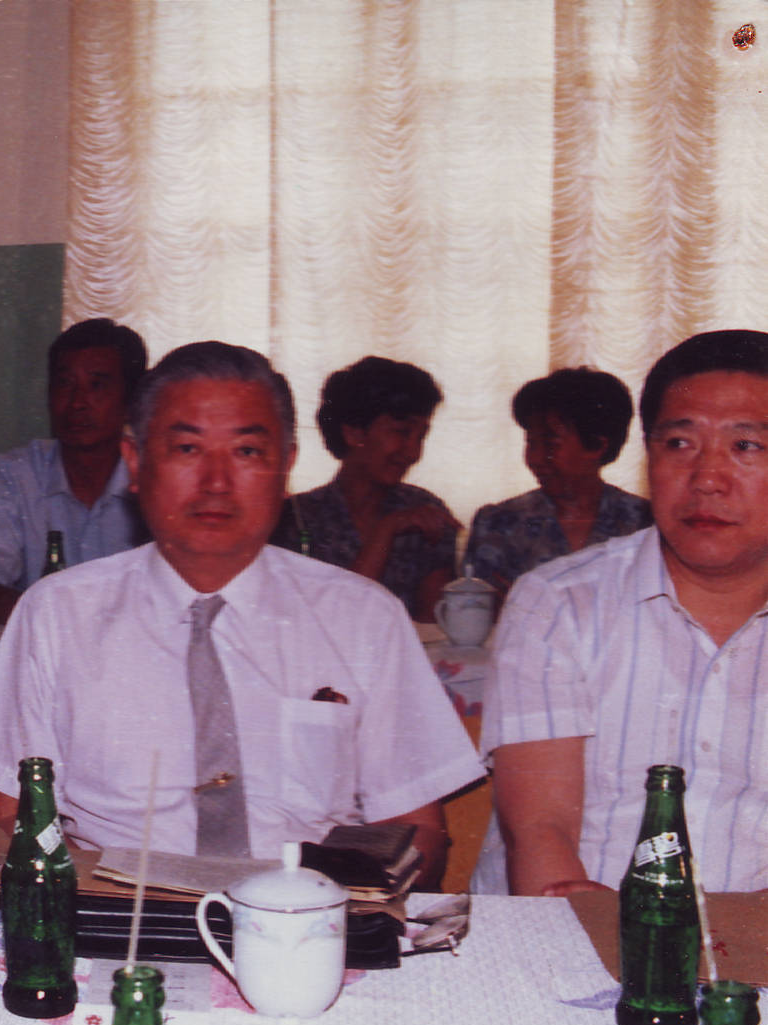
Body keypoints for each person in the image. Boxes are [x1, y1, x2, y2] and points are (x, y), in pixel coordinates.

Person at [0, 341, 480, 883]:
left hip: (312, 920)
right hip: (113, 919)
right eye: (187, 449)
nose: (216, 482)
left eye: (247, 453)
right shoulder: (56, 614)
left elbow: (414, 828)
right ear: (135, 463)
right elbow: (12, 816)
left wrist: (342, 923)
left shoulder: (365, 617)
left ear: (287, 465)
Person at [484, 330, 768, 896]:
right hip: (568, 942)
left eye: (747, 446)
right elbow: (541, 831)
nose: (707, 478)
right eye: (679, 444)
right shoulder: (557, 603)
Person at [0, 318, 148, 622]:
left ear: (131, 402)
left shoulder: (155, 480)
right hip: (42, 650)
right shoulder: (14, 475)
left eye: (96, 385)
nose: (77, 403)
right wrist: (63, 625)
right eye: (64, 384)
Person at [270, 356, 459, 621]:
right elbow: (333, 623)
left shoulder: (425, 511)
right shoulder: (295, 519)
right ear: (354, 434)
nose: (414, 452)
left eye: (421, 436)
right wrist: (386, 531)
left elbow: (435, 628)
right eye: (402, 432)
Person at [463, 367, 652, 594]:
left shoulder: (645, 524)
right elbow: (475, 614)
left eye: (551, 445)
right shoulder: (498, 524)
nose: (535, 458)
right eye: (531, 443)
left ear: (597, 445)